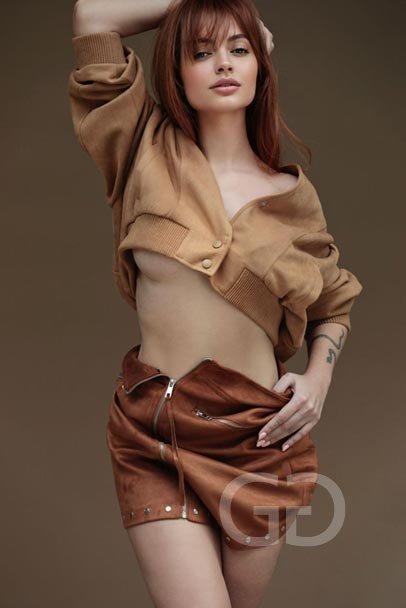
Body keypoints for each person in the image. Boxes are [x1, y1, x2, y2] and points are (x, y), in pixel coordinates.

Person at [68, 1, 363, 606]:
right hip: (153, 431)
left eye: (239, 50)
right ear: (177, 72)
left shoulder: (293, 198)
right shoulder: (143, 149)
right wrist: (206, 8)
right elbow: (93, 15)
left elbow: (334, 301)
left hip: (256, 438)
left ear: (260, 66)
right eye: (201, 53)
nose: (223, 64)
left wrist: (318, 379)